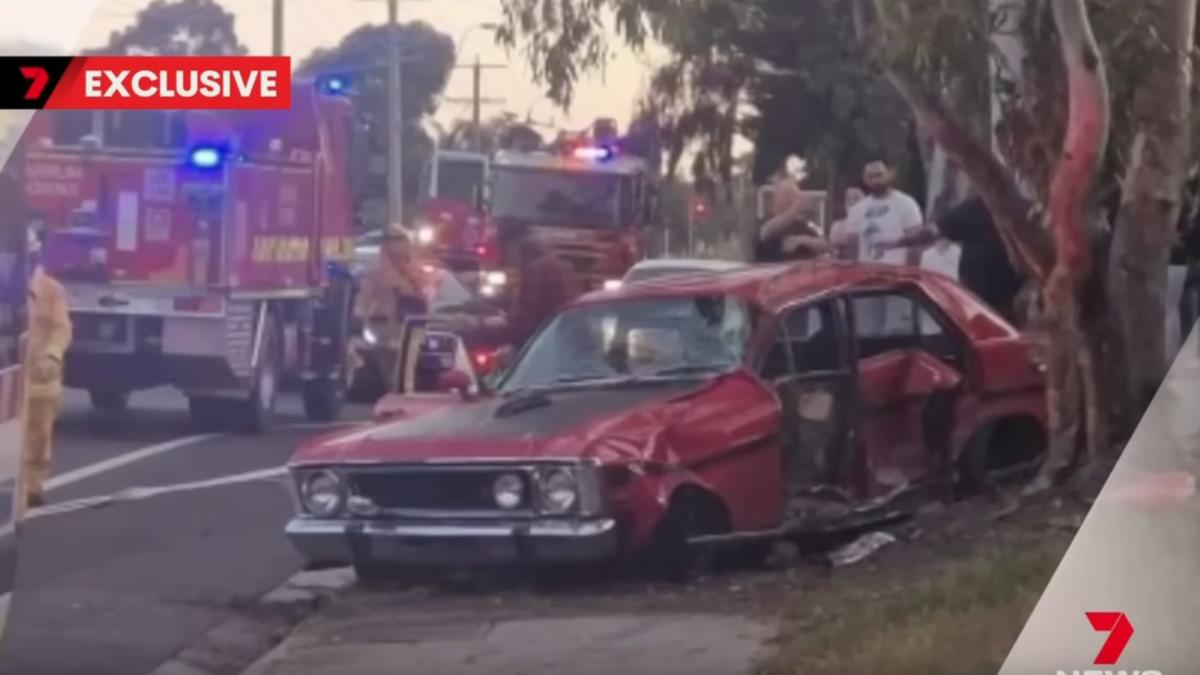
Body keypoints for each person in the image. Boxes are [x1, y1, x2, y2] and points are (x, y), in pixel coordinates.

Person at [885, 195, 1024, 323]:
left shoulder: (1020, 208)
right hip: (975, 299)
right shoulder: (973, 208)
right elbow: (932, 232)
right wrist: (899, 242)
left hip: (1010, 298)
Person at [460, 232, 582, 355]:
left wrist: (483, 332)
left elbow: (525, 321)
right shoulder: (566, 269)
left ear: (526, 254)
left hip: (539, 345)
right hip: (564, 340)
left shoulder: (536, 270)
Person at [20, 228, 72, 512]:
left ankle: (33, 486)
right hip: (12, 374)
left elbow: (61, 329)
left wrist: (52, 357)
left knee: (38, 434)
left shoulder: (51, 290)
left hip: (41, 376)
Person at [844, 160, 924, 266]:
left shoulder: (906, 204)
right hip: (866, 275)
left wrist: (910, 275)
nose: (876, 180)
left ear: (889, 174)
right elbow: (852, 246)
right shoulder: (857, 210)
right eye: (871, 177)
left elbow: (916, 243)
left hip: (897, 274)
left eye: (879, 175)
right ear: (864, 179)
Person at [754, 171, 830, 263]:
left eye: (794, 193)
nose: (792, 197)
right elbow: (766, 232)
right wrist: (796, 208)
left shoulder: (803, 226)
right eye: (787, 193)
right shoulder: (766, 222)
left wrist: (801, 240)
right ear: (776, 197)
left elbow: (825, 246)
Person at [828, 187, 865, 261]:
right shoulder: (837, 226)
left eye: (856, 198)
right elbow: (834, 245)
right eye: (848, 199)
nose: (851, 202)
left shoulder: (874, 223)